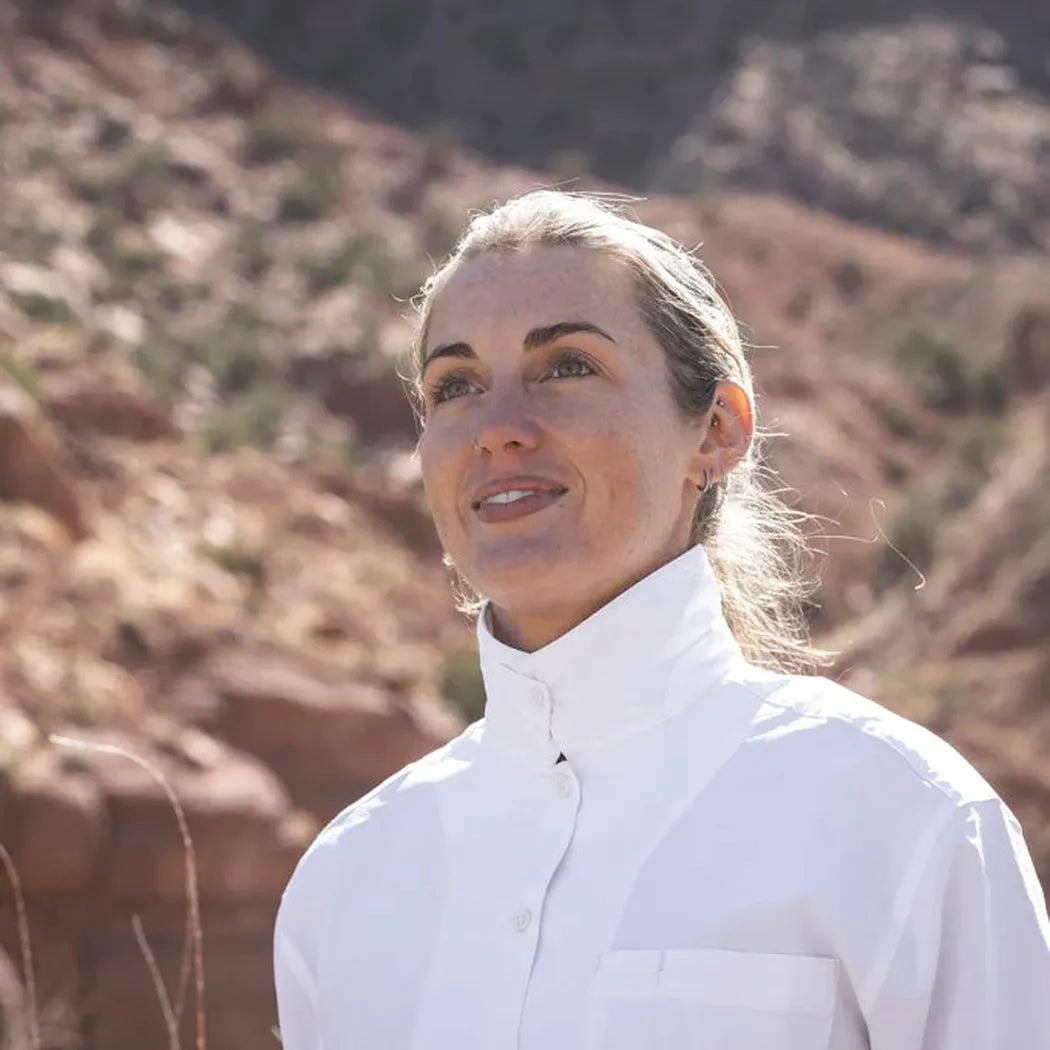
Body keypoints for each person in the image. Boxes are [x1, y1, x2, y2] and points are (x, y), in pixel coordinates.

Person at [272, 190, 1050, 1050]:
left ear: (716, 432)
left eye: (566, 366)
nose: (498, 430)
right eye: (454, 386)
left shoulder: (904, 818)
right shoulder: (346, 885)